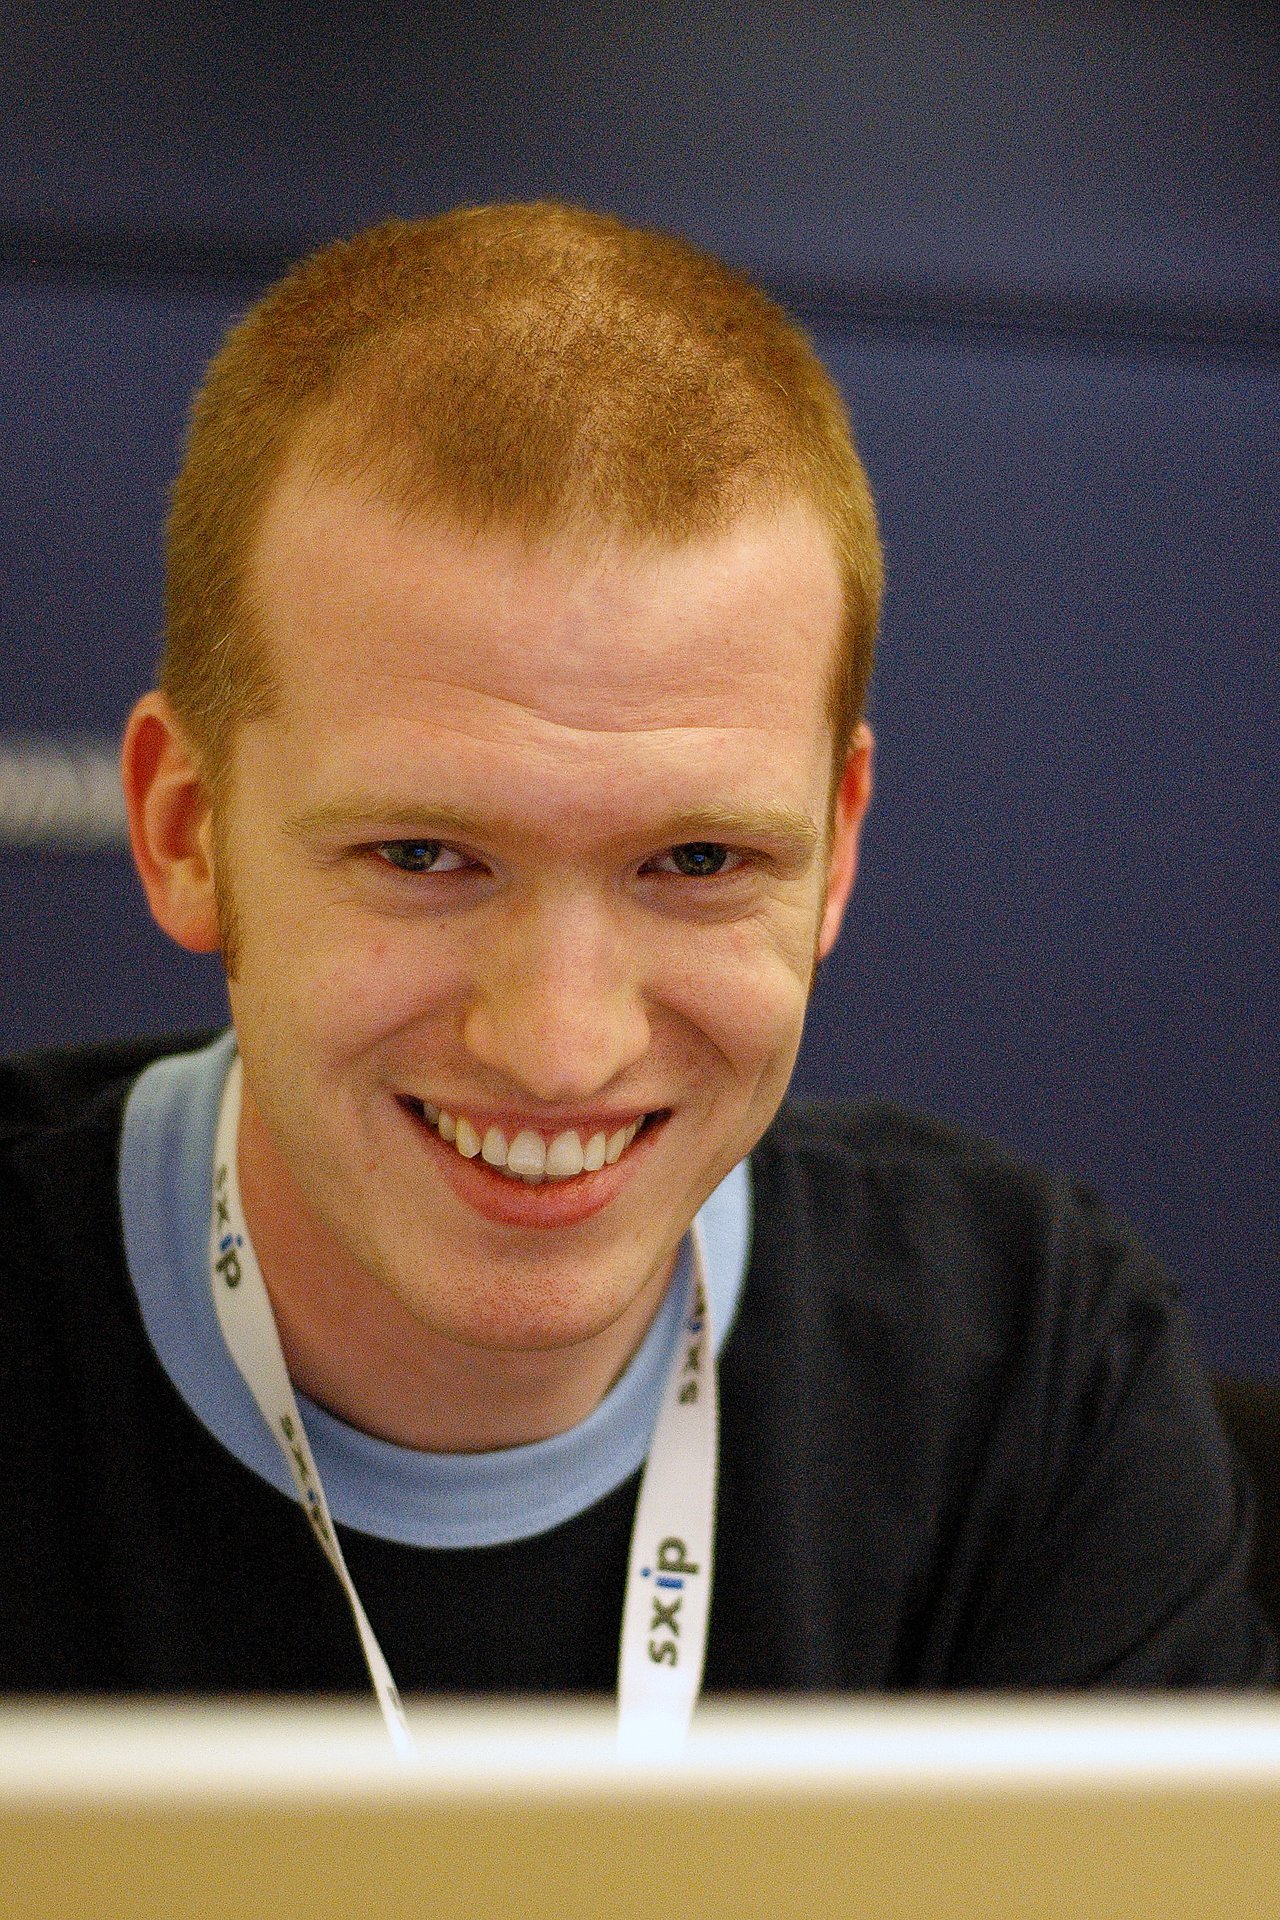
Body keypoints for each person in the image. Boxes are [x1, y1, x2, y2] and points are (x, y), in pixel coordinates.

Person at [0, 203, 1271, 1725]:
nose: (557, 1045)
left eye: (696, 864)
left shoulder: (1032, 1382)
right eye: (422, 856)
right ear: (185, 827)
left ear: (838, 849)